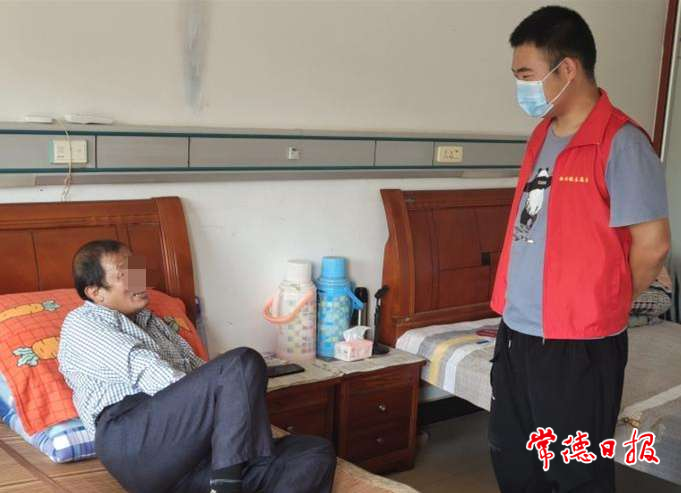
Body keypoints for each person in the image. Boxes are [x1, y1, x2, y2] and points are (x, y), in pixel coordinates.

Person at [489, 6, 671, 492]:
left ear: (566, 68)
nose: (521, 87)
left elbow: (653, 246)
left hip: (578, 346)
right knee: (515, 462)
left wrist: (607, 299)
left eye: (526, 75)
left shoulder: (622, 143)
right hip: (518, 333)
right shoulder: (543, 135)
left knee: (574, 476)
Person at [58, 239, 336, 493]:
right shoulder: (83, 322)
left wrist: (225, 407)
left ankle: (223, 480)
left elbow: (200, 375)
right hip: (133, 441)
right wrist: (216, 398)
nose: (139, 278)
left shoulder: (155, 323)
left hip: (190, 458)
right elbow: (145, 369)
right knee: (242, 361)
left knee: (314, 453)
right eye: (124, 273)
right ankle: (226, 487)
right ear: (95, 292)